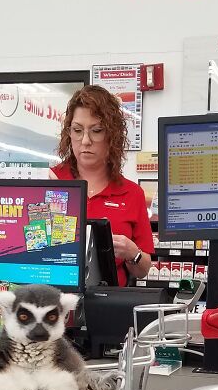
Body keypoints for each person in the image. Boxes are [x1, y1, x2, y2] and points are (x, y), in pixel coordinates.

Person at [51, 85, 153, 286]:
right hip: (54, 297)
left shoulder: (132, 193)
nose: (85, 140)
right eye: (77, 130)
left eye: (96, 131)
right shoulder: (51, 181)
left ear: (112, 135)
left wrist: (132, 253)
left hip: (107, 300)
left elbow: (143, 270)